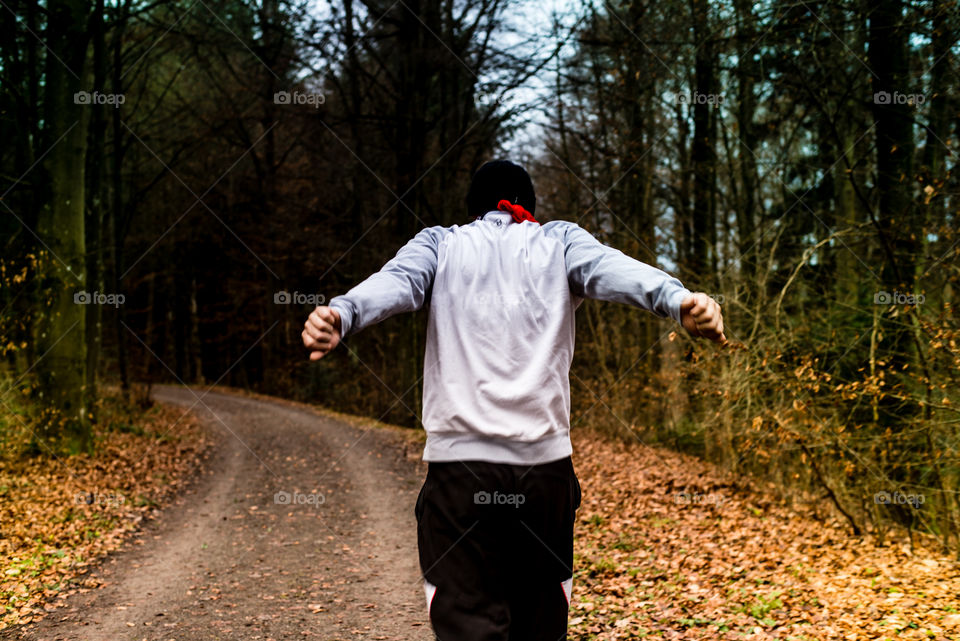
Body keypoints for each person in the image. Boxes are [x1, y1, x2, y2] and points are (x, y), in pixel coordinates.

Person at [302, 159, 726, 641]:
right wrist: (677, 300)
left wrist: (343, 313)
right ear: (530, 206)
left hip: (460, 478)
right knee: (539, 628)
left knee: (468, 626)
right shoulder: (559, 240)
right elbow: (613, 268)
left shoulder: (441, 243)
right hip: (544, 477)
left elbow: (398, 281)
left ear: (473, 210)